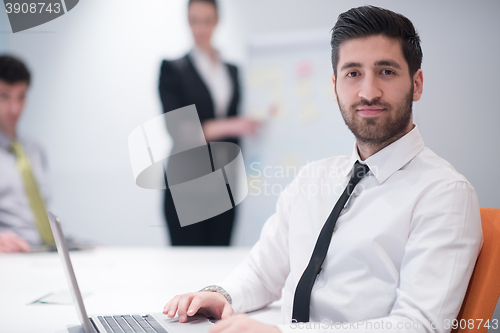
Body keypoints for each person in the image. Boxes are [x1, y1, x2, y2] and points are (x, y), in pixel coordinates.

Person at [161, 5, 483, 333]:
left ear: (416, 84)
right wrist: (221, 295)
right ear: (335, 87)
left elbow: (418, 326)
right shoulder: (313, 177)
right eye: (353, 73)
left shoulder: (444, 194)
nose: (368, 91)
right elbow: (263, 272)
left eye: (386, 71)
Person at [159, 0, 259, 246]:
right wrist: (235, 125)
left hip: (224, 183)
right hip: (186, 185)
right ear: (187, 21)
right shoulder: (173, 70)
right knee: (187, 265)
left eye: (207, 21)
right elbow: (182, 132)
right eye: (194, 21)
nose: (200, 28)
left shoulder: (232, 71)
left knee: (219, 264)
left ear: (217, 22)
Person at [0, 55, 54, 253]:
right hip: (10, 258)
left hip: (45, 253)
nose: (14, 108)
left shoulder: (35, 151)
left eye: (21, 97)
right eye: (4, 96)